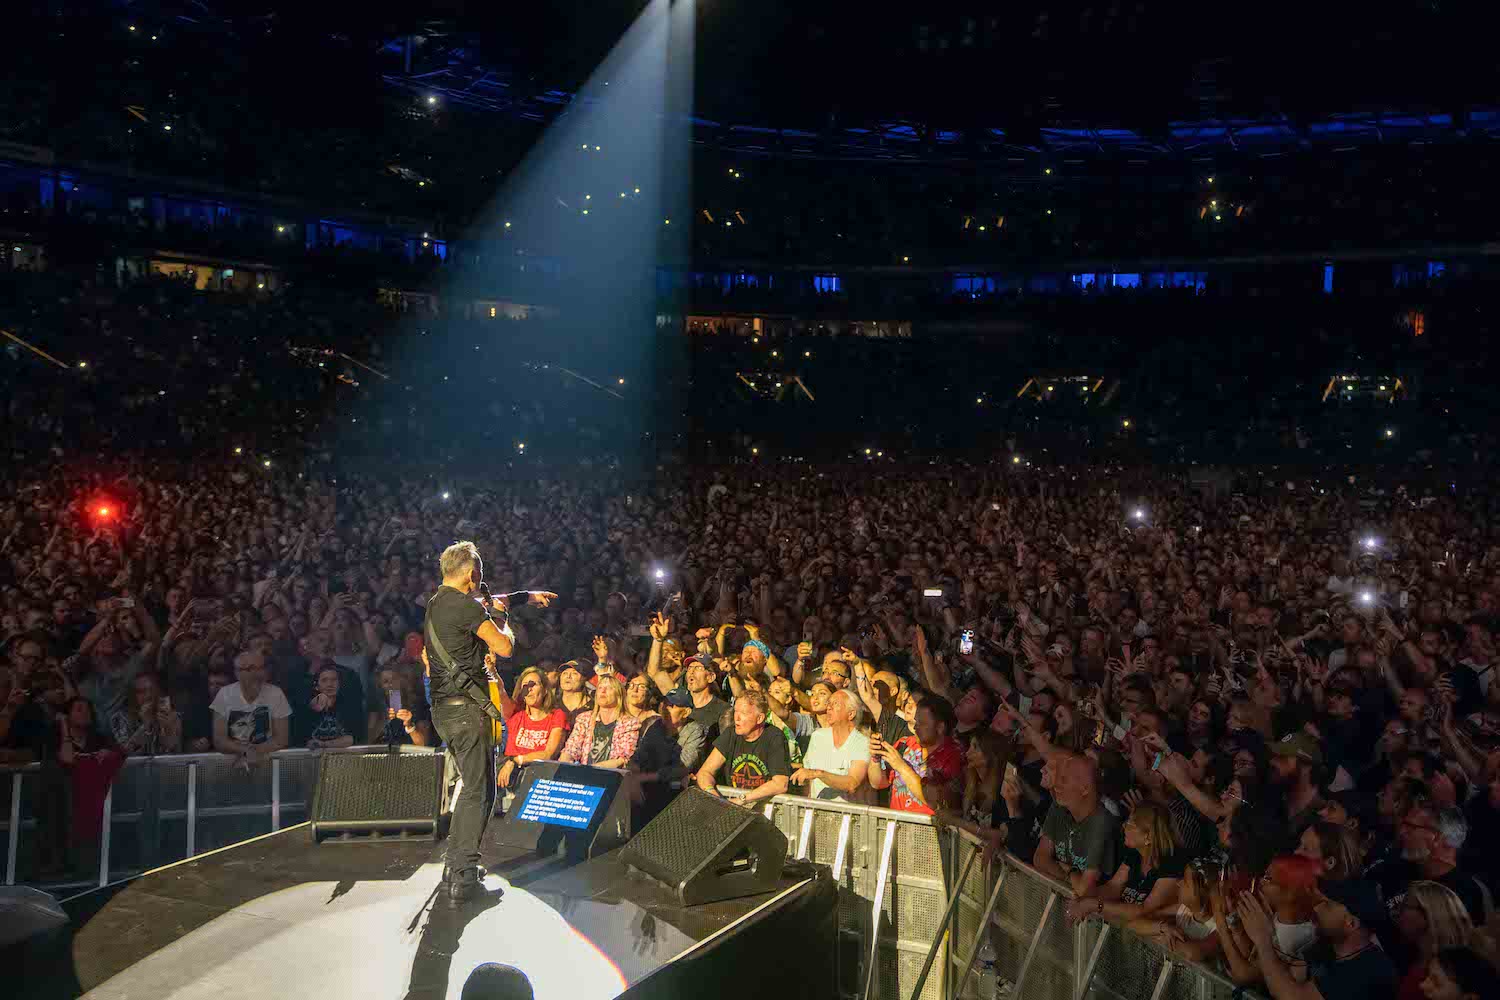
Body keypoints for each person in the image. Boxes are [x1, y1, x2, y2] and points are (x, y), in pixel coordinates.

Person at [423, 540, 554, 903]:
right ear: (470, 573)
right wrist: (504, 620)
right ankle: (463, 875)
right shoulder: (464, 607)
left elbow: (489, 599)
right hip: (467, 711)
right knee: (479, 791)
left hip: (445, 711)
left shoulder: (438, 602)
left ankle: (457, 862)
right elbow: (505, 647)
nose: (481, 580)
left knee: (476, 787)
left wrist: (526, 595)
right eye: (478, 574)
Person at [1235, 878, 1398, 1000]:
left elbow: (1291, 995)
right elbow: (1288, 975)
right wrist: (1270, 933)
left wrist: (1262, 939)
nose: (1317, 908)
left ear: (1351, 923)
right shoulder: (1327, 946)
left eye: (1327, 905)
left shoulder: (1367, 971)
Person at [1033, 752, 1124, 900]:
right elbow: (1040, 858)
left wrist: (1067, 871)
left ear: (1084, 789)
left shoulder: (1102, 822)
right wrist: (1070, 877)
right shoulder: (1059, 806)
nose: (1057, 784)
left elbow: (1085, 889)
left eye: (1064, 780)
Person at [868, 694, 963, 816]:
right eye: (917, 721)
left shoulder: (954, 754)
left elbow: (936, 801)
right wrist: (876, 758)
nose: (916, 727)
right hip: (898, 827)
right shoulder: (905, 743)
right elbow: (878, 783)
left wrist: (902, 767)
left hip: (928, 831)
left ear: (940, 727)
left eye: (922, 723)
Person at [697, 689, 791, 808]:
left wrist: (742, 800)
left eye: (744, 713)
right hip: (733, 807)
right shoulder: (731, 734)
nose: (737, 718)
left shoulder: (774, 737)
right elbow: (704, 772)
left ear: (760, 718)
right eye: (735, 711)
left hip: (765, 811)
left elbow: (780, 783)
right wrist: (714, 796)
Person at [1393, 882, 1475, 1000]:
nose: (1397, 912)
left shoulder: (1452, 975)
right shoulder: (1409, 956)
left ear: (1428, 914)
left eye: (1404, 907)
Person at [210, 650, 290, 765]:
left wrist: (253, 752)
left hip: (267, 764)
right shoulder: (224, 694)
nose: (258, 673)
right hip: (232, 766)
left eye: (261, 668)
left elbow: (281, 739)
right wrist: (244, 751)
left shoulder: (276, 694)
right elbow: (219, 740)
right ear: (237, 673)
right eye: (251, 669)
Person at [792, 687, 870, 801]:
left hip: (847, 816)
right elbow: (808, 782)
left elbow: (852, 783)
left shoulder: (862, 742)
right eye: (828, 703)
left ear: (851, 714)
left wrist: (819, 774)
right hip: (816, 813)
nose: (829, 707)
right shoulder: (817, 737)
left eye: (835, 704)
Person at [498, 667, 565, 789]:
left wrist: (515, 761)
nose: (529, 689)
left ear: (545, 690)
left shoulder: (557, 715)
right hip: (509, 774)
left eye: (533, 684)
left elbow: (548, 754)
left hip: (537, 772)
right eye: (525, 686)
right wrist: (492, 672)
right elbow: (500, 691)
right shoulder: (515, 714)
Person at [560, 674, 641, 767]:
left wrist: (590, 770)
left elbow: (623, 759)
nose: (603, 691)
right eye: (600, 688)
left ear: (619, 695)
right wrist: (564, 763)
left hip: (611, 776)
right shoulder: (584, 718)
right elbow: (571, 749)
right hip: (582, 774)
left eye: (609, 688)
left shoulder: (630, 723)